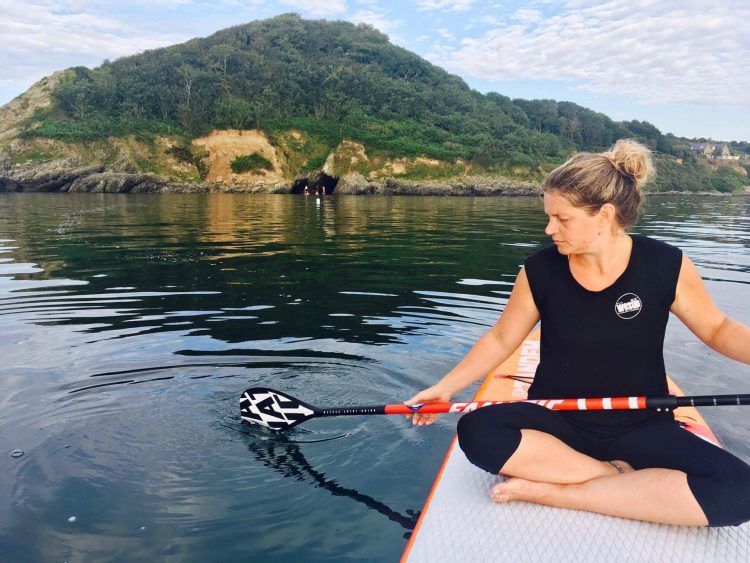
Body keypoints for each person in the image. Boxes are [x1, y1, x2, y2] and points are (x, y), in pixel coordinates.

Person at [405, 139, 750, 527]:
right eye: (549, 216)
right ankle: (619, 479)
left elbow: (718, 328)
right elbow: (502, 339)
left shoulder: (665, 264)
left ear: (604, 215)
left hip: (641, 422)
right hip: (556, 420)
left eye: (562, 218)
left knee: (738, 491)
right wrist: (446, 387)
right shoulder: (539, 270)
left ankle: (560, 491)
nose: (549, 228)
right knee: (477, 431)